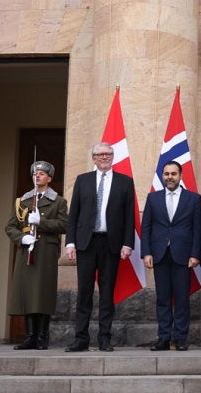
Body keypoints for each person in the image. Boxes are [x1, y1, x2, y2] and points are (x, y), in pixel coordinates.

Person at [65, 142, 135, 352]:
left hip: (111, 244)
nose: (104, 157)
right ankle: (81, 339)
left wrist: (127, 243)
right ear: (94, 158)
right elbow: (73, 214)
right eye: (100, 154)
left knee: (107, 293)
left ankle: (104, 338)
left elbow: (129, 216)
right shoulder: (82, 180)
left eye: (108, 154)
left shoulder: (125, 182)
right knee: (84, 293)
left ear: (112, 157)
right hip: (86, 243)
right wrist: (70, 242)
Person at [6, 161, 68, 350]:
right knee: (28, 293)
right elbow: (10, 227)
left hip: (46, 251)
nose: (37, 176)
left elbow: (64, 225)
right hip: (27, 250)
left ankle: (42, 337)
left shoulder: (58, 201)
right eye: (35, 173)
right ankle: (30, 337)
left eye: (41, 173)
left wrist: (42, 222)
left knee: (43, 293)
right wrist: (21, 238)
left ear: (49, 178)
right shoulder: (22, 201)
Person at [141, 161, 201, 351]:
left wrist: (195, 254)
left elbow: (197, 229)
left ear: (180, 175)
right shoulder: (153, 198)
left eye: (173, 174)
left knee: (182, 298)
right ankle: (164, 338)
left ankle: (181, 339)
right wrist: (146, 253)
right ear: (162, 176)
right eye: (166, 174)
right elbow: (147, 227)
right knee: (163, 298)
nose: (170, 177)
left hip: (183, 256)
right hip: (159, 254)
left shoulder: (193, 198)